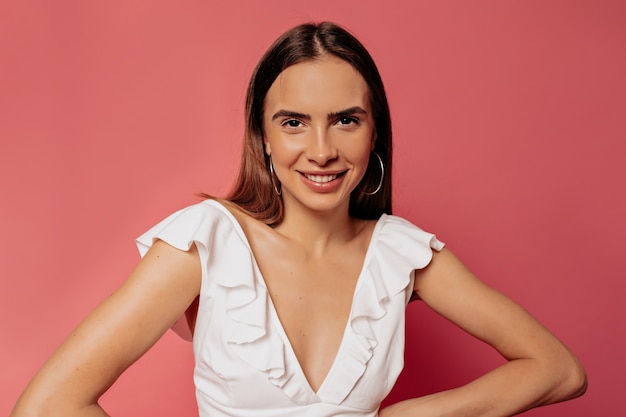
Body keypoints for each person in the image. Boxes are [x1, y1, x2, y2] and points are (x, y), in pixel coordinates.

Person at [11, 21, 586, 417]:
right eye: (293, 122)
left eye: (345, 120)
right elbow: (47, 405)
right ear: (261, 135)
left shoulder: (402, 254)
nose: (320, 150)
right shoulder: (205, 241)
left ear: (374, 131)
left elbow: (558, 370)